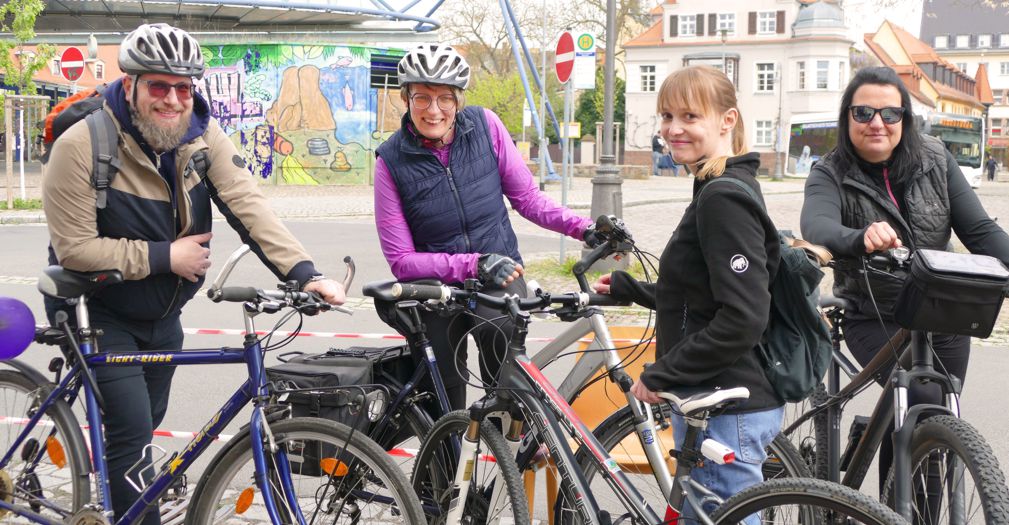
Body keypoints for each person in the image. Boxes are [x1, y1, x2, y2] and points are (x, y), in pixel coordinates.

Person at [41, 23, 346, 525]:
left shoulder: (201, 135)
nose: (173, 99)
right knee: (133, 435)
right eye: (159, 86)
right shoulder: (83, 143)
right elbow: (75, 249)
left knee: (147, 424)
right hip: (96, 307)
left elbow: (248, 204)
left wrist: (305, 273)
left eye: (184, 87)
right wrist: (166, 257)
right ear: (132, 85)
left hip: (164, 312)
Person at [800, 66, 1009, 493]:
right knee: (922, 404)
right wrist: (859, 237)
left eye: (889, 114)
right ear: (847, 119)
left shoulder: (935, 158)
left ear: (904, 120)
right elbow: (817, 224)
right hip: (874, 313)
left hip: (944, 310)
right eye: (863, 113)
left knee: (938, 424)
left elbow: (980, 231)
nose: (877, 123)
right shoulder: (830, 171)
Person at [592, 65, 783, 525]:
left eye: (690, 116)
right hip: (717, 397)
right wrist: (631, 289)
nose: (674, 129)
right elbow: (703, 292)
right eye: (666, 116)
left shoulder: (722, 197)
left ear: (727, 120)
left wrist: (663, 374)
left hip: (724, 402)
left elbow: (743, 316)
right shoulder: (712, 186)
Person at [374, 44, 596, 413]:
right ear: (405, 99)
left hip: (501, 277)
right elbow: (401, 261)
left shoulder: (485, 126)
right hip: (435, 290)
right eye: (422, 98)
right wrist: (473, 263)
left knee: (508, 380)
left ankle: (508, 456)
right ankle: (443, 469)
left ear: (458, 100)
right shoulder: (390, 161)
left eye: (445, 98)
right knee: (442, 403)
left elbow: (528, 199)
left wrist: (586, 229)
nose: (433, 110)